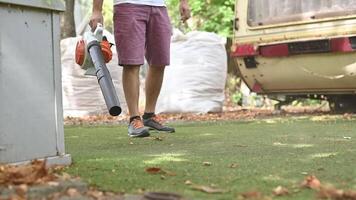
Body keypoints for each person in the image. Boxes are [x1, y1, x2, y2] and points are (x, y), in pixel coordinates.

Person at [90, 0, 191, 137]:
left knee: (159, 61)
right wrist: (97, 10)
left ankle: (149, 116)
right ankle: (134, 119)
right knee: (131, 63)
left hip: (159, 7)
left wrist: (184, 2)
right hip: (128, 5)